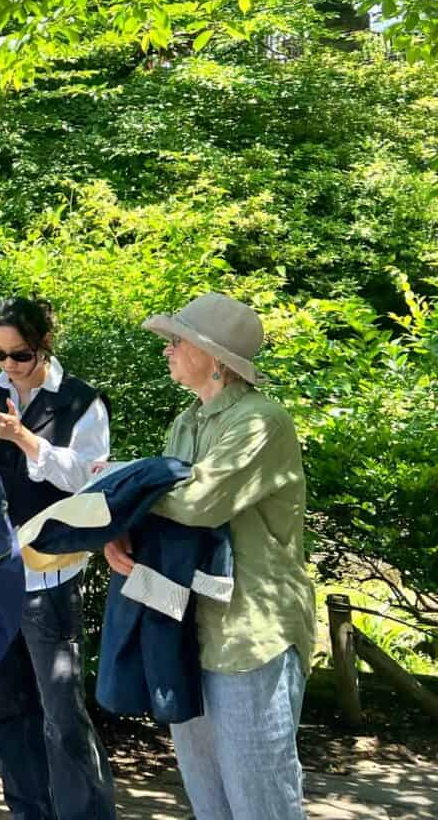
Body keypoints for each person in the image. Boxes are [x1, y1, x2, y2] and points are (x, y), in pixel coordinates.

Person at [107, 292, 316, 820]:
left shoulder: (260, 421)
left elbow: (199, 503)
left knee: (259, 802)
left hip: (249, 634)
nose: (167, 350)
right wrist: (122, 532)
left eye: (177, 341)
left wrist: (118, 494)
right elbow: (166, 509)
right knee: (208, 801)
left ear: (215, 357)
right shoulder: (188, 421)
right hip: (184, 624)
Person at [0, 297, 116, 820]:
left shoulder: (81, 401)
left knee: (62, 715)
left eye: (19, 355)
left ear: (45, 344)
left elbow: (90, 482)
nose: (7, 367)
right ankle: (30, 812)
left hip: (50, 574)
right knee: (1, 709)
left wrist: (27, 441)